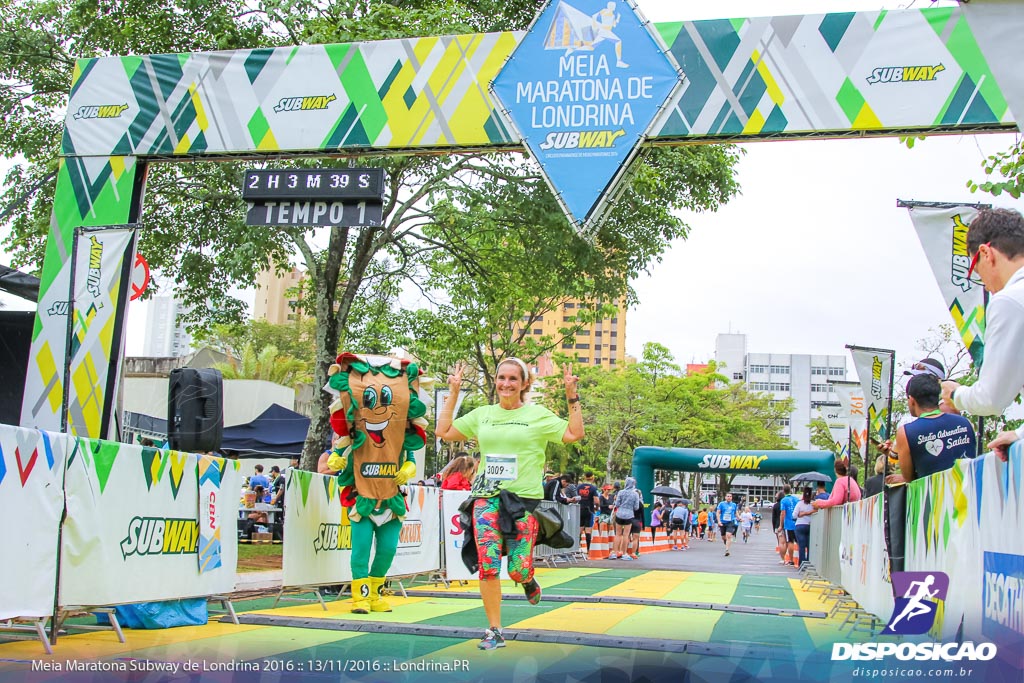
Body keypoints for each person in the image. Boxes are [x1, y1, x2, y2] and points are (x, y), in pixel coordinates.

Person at [437, 358, 584, 651]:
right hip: (487, 497)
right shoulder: (483, 415)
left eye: (513, 379)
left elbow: (574, 434)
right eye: (501, 378)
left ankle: (527, 579)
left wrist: (571, 396)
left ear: (523, 384)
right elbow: (445, 431)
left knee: (517, 569)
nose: (506, 384)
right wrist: (453, 393)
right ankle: (494, 630)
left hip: (523, 501)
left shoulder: (537, 415)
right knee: (488, 564)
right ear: (496, 381)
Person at [326, 353, 427, 616]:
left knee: (388, 550)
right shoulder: (352, 435)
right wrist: (336, 461)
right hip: (362, 498)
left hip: (392, 500)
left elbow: (411, 459)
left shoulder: (400, 437)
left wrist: (407, 469)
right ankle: (360, 599)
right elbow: (338, 454)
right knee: (360, 551)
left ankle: (375, 594)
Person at [940, 208, 1024, 461]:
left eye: (976, 271)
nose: (984, 284)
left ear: (986, 253)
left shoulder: (1010, 300)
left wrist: (955, 394)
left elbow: (991, 398)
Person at [890, 374, 977, 483]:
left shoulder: (905, 432)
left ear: (911, 400)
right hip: (968, 492)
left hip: (935, 497)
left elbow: (909, 478)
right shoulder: (964, 422)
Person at [611, 477, 641, 561]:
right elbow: (636, 507)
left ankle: (614, 552)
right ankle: (624, 553)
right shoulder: (635, 494)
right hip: (629, 515)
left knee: (618, 534)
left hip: (619, 514)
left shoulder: (621, 492)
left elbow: (616, 504)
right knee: (626, 535)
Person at [793, 486, 816, 567]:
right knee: (810, 545)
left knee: (801, 546)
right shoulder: (813, 504)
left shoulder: (799, 503)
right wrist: (809, 512)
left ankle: (802, 564)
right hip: (810, 526)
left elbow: (794, 516)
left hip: (799, 526)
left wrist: (802, 513)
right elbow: (816, 512)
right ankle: (809, 563)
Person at [576, 473, 600, 550]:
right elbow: (596, 501)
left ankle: (577, 548)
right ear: (592, 478)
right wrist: (597, 508)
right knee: (588, 530)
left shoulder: (579, 487)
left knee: (579, 529)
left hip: (579, 509)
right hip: (589, 510)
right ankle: (589, 549)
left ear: (585, 478)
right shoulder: (593, 488)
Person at [778, 486, 798, 566]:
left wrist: (781, 525)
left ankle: (791, 560)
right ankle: (800, 558)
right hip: (797, 522)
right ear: (790, 490)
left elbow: (783, 513)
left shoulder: (783, 500)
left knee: (790, 541)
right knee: (798, 541)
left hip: (788, 524)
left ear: (783, 491)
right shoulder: (796, 499)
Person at [716, 492, 739, 556]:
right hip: (723, 522)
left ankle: (727, 550)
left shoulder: (734, 505)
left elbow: (736, 512)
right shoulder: (721, 504)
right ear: (725, 497)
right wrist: (719, 521)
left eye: (730, 496)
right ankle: (725, 542)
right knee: (723, 537)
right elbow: (718, 513)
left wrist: (739, 518)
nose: (729, 497)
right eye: (728, 496)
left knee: (728, 535)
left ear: (731, 498)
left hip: (730, 522)